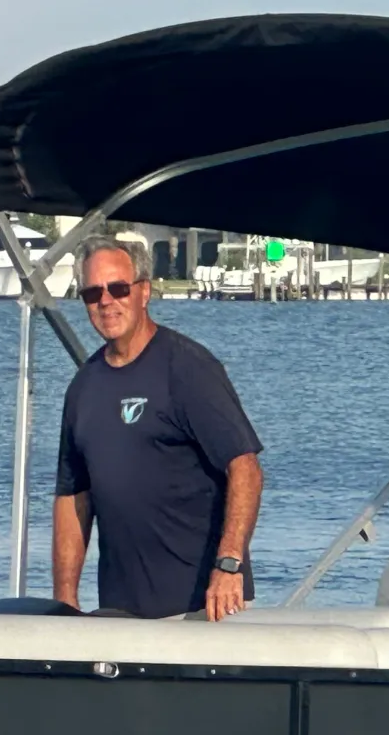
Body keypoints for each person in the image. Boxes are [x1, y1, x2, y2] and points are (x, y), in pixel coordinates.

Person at [52, 237, 264, 620]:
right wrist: (65, 598)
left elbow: (245, 467)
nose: (106, 301)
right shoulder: (83, 386)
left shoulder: (188, 368)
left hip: (203, 604)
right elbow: (73, 497)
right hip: (120, 611)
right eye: (92, 292)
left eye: (118, 288)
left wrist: (229, 565)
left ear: (144, 291)